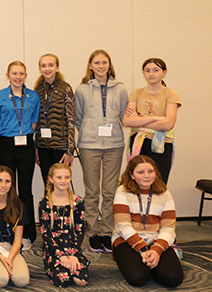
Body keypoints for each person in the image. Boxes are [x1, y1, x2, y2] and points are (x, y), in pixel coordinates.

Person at [74, 50, 129, 253]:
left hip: (114, 144)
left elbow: (124, 115)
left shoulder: (121, 89)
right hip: (89, 144)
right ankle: (93, 232)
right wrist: (90, 128)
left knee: (110, 190)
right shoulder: (81, 90)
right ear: (90, 66)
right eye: (96, 62)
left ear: (109, 64)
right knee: (91, 191)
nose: (100, 66)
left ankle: (107, 231)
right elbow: (78, 117)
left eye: (104, 62)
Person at [0, 61, 40, 251]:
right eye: (14, 74)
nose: (18, 77)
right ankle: (5, 232)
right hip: (6, 144)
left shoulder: (33, 97)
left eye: (21, 74)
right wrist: (1, 144)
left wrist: (25, 136)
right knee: (4, 189)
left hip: (26, 143)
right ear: (7, 75)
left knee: (25, 191)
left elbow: (33, 123)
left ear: (25, 75)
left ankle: (27, 233)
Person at [112, 155, 183, 288]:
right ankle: (147, 263)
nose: (147, 176)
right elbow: (122, 225)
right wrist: (142, 249)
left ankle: (151, 263)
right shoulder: (122, 191)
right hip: (127, 240)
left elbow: (168, 228)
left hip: (155, 240)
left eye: (150, 171)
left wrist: (156, 250)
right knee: (138, 278)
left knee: (173, 278)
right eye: (140, 172)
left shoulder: (164, 193)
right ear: (131, 175)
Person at [123, 58, 181, 183]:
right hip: (139, 143)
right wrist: (156, 117)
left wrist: (139, 119)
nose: (151, 74)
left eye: (156, 70)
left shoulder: (171, 94)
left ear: (164, 72)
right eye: (147, 70)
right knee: (136, 184)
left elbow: (168, 124)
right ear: (143, 73)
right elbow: (127, 121)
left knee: (159, 183)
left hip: (162, 144)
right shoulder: (136, 93)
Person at [39, 163, 89, 287]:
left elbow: (80, 230)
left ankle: (75, 263)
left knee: (81, 281)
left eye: (67, 177)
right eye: (59, 177)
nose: (63, 181)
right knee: (63, 280)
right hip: (54, 249)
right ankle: (58, 267)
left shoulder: (77, 202)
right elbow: (45, 233)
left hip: (73, 247)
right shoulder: (45, 203)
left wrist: (73, 254)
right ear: (51, 179)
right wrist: (61, 256)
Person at [34, 54, 76, 184]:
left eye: (51, 65)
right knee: (48, 184)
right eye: (43, 66)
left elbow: (70, 120)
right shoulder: (37, 90)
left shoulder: (65, 88)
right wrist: (35, 147)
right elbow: (36, 120)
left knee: (61, 184)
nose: (47, 69)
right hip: (43, 147)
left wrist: (70, 150)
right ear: (40, 69)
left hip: (61, 147)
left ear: (57, 67)